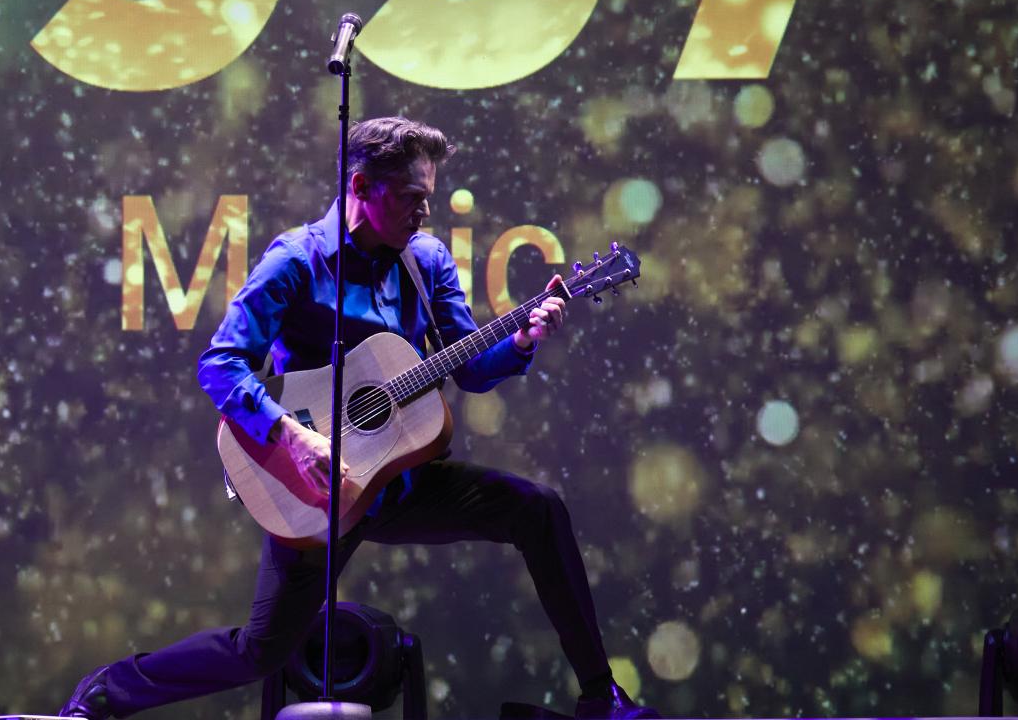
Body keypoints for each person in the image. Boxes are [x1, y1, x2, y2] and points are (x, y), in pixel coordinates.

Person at [61, 116, 656, 719]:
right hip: (312, 487)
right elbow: (220, 365)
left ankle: (600, 697)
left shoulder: (426, 261)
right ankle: (111, 690)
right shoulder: (297, 260)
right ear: (361, 186)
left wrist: (523, 340)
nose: (423, 213)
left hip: (401, 481)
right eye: (411, 198)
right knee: (261, 651)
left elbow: (471, 368)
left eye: (428, 197)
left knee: (539, 510)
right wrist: (294, 439)